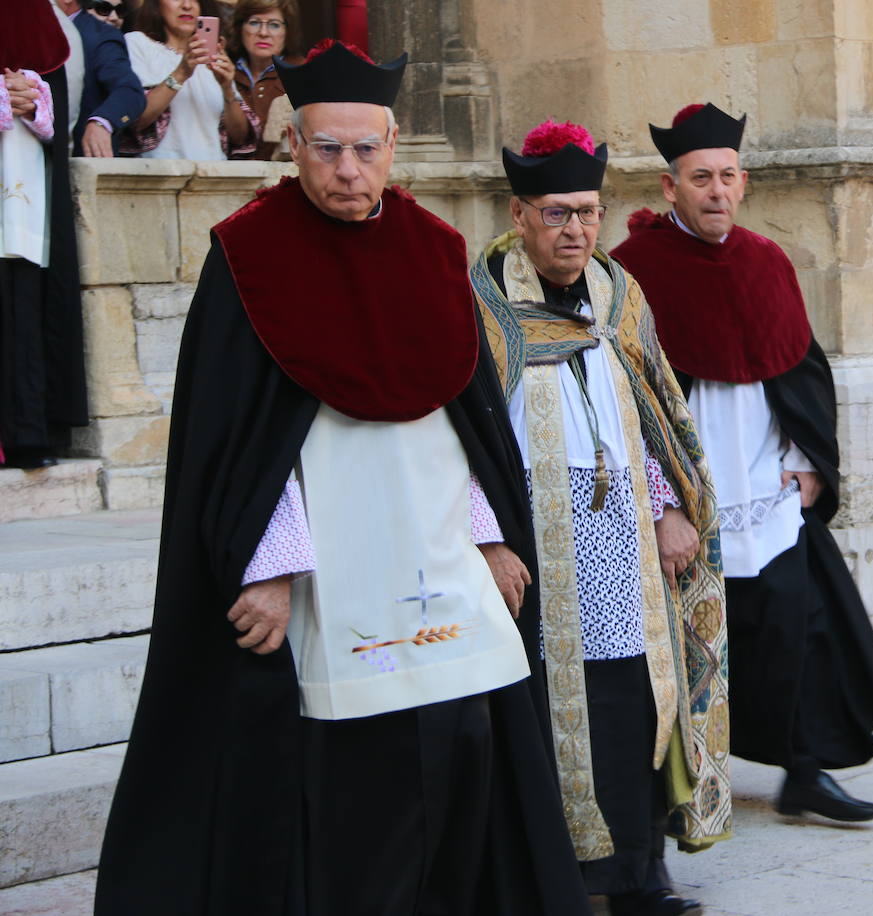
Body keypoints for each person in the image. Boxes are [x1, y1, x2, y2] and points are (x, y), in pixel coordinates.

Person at [95, 40, 590, 916]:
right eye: (327, 148)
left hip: (441, 555)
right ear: (293, 145)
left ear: (394, 146)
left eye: (366, 149)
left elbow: (457, 412)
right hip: (328, 567)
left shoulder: (435, 248)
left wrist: (493, 534)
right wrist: (268, 565)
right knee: (357, 778)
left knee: (464, 738)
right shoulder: (249, 253)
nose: (348, 169)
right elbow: (242, 438)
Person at [469, 119, 730, 916]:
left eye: (587, 211)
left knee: (635, 697)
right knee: (552, 701)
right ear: (519, 215)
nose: (576, 228)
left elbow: (651, 410)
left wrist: (666, 508)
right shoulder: (481, 305)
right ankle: (557, 874)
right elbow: (464, 431)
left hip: (624, 528)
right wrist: (487, 538)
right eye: (556, 213)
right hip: (534, 534)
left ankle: (640, 872)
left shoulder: (621, 295)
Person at [612, 102, 873, 824]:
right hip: (683, 490)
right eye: (701, 177)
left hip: (766, 485)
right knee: (685, 644)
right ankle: (677, 787)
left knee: (797, 629)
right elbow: (622, 393)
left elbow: (799, 370)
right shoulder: (632, 272)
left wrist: (807, 463)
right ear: (669, 185)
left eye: (728, 177)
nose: (717, 191)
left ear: (744, 184)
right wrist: (661, 499)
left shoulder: (767, 260)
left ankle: (805, 771)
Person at [0, 0, 88, 470]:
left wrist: (34, 100)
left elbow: (59, 111)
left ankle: (27, 432)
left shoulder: (37, 19)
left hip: (22, 186)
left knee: (23, 299)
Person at [123, 0, 256, 158]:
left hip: (213, 174)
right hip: (158, 174)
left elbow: (240, 138)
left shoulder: (213, 55)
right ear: (156, 4)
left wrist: (227, 88)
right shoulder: (137, 43)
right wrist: (182, 72)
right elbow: (133, 119)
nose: (187, 5)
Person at [56, 0, 143, 156]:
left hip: (74, 158)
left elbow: (129, 90)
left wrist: (102, 122)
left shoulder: (100, 35)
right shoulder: (23, 28)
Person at [227, 0, 301, 160]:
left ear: (287, 31)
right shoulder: (224, 72)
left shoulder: (303, 73)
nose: (263, 32)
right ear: (240, 28)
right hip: (228, 178)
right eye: (254, 23)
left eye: (274, 25)